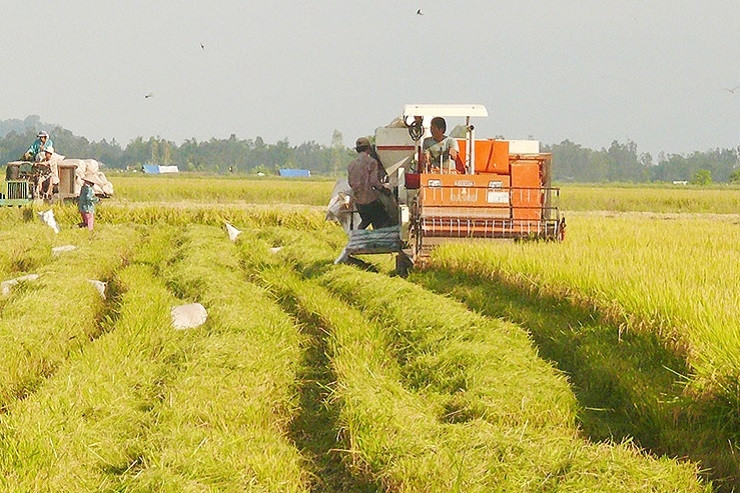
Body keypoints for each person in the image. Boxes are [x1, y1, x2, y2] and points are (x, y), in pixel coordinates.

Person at [347, 137, 393, 229]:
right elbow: (374, 181)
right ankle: (380, 241)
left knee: (366, 220)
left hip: (358, 201)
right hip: (370, 199)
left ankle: (357, 235)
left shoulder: (351, 164)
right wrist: (384, 190)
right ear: (368, 149)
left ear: (357, 150)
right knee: (384, 221)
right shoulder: (371, 162)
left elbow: (350, 182)